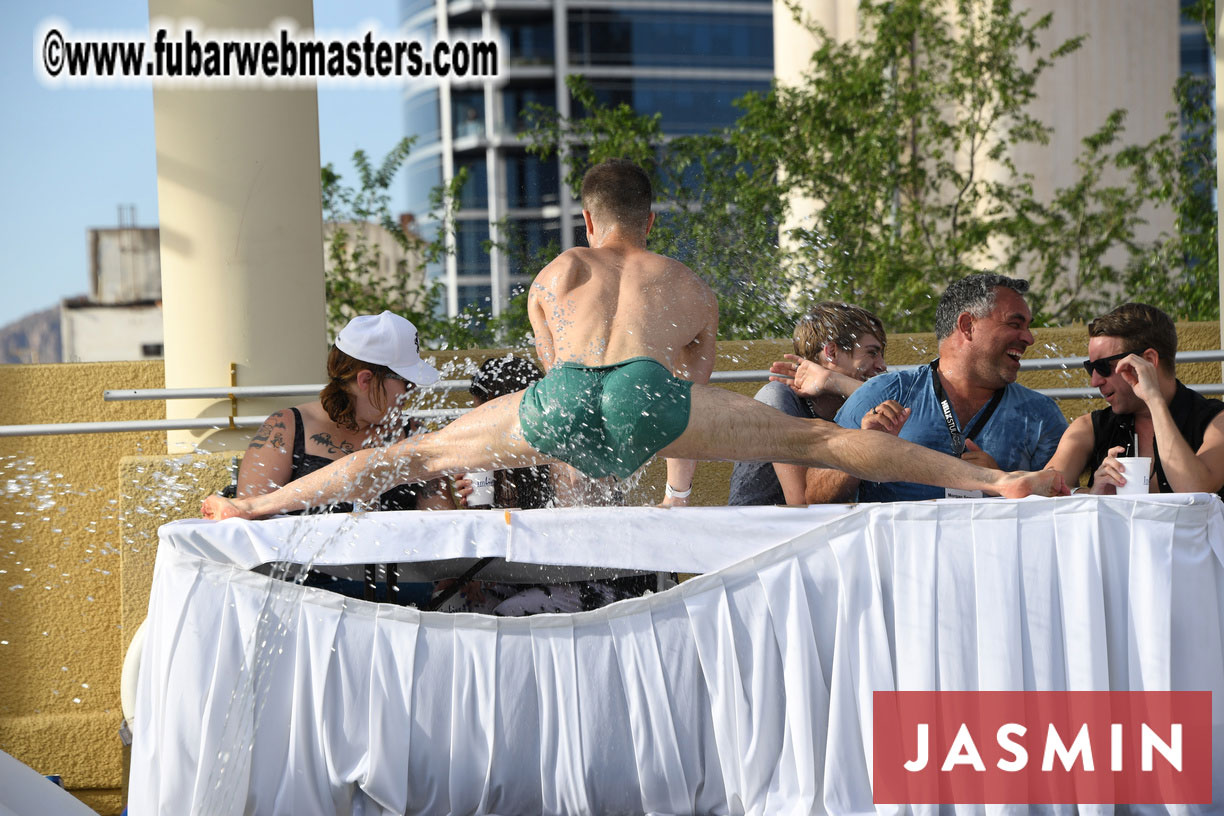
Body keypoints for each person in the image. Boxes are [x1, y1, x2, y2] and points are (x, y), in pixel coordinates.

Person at [202, 160, 1065, 522]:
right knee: (819, 440)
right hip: (649, 396)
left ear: (588, 220)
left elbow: (557, 374)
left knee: (416, 455)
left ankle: (254, 508)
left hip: (564, 397)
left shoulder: (557, 274)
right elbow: (685, 392)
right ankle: (996, 481)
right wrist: (676, 496)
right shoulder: (686, 283)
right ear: (651, 221)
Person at [802, 273, 1068, 503]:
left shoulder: (1041, 414)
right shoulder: (882, 393)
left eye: (1028, 327)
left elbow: (1064, 507)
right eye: (1014, 324)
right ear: (967, 326)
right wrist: (863, 447)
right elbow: (814, 494)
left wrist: (1004, 483)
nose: (1029, 338)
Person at [236, 310, 454, 514]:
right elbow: (246, 522)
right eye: (406, 382)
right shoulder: (286, 429)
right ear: (365, 380)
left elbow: (442, 525)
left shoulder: (413, 433)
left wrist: (467, 501)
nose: (412, 390)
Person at [1044, 302, 1224, 496]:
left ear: (1148, 361)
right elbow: (1042, 491)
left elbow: (1195, 490)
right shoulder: (1089, 428)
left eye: (1104, 367)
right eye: (1091, 368)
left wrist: (1154, 400)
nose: (1094, 381)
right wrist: (1093, 495)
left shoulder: (1216, 422)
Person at [728, 302, 887, 505]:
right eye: (872, 353)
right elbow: (801, 502)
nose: (882, 365)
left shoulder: (850, 408)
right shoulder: (778, 397)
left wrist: (836, 382)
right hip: (762, 525)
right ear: (832, 352)